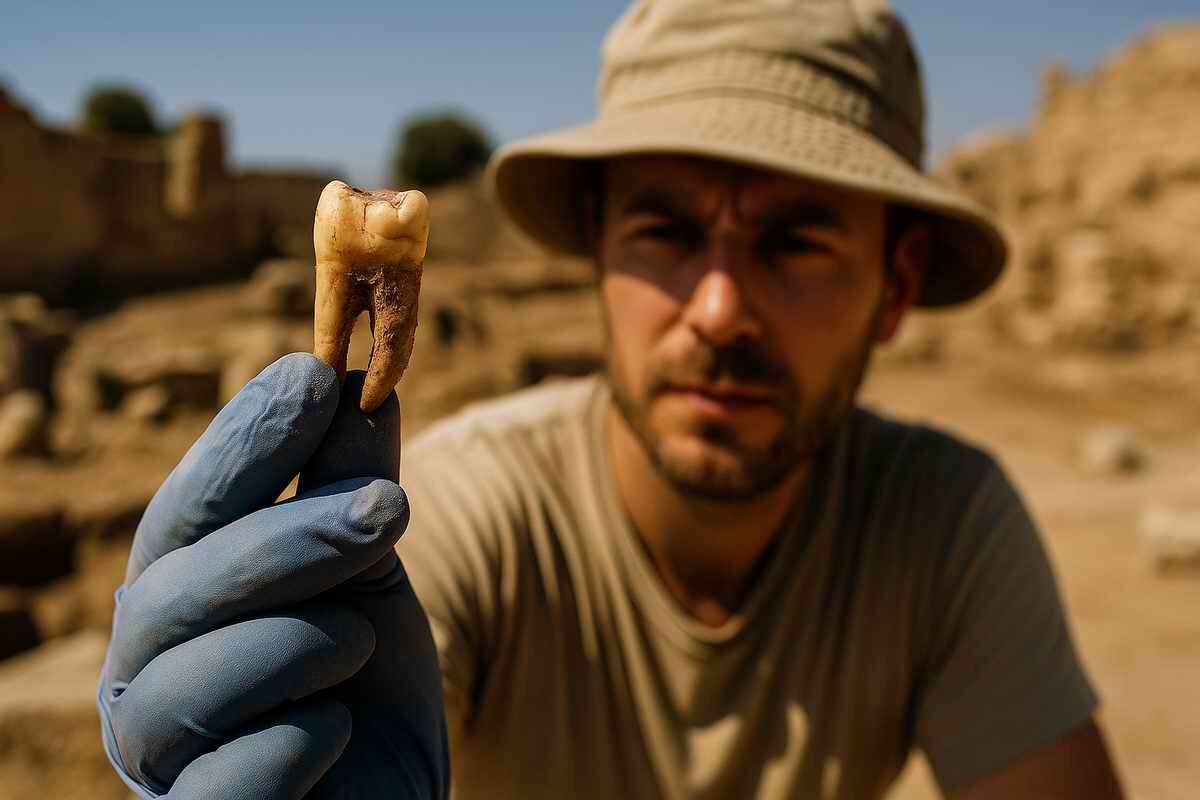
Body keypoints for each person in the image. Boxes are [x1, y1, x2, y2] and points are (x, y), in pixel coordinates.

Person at [98, 1, 1126, 798]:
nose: (719, 310)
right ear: (597, 247)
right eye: (667, 231)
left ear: (895, 285)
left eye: (795, 239)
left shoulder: (944, 529)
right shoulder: (456, 517)